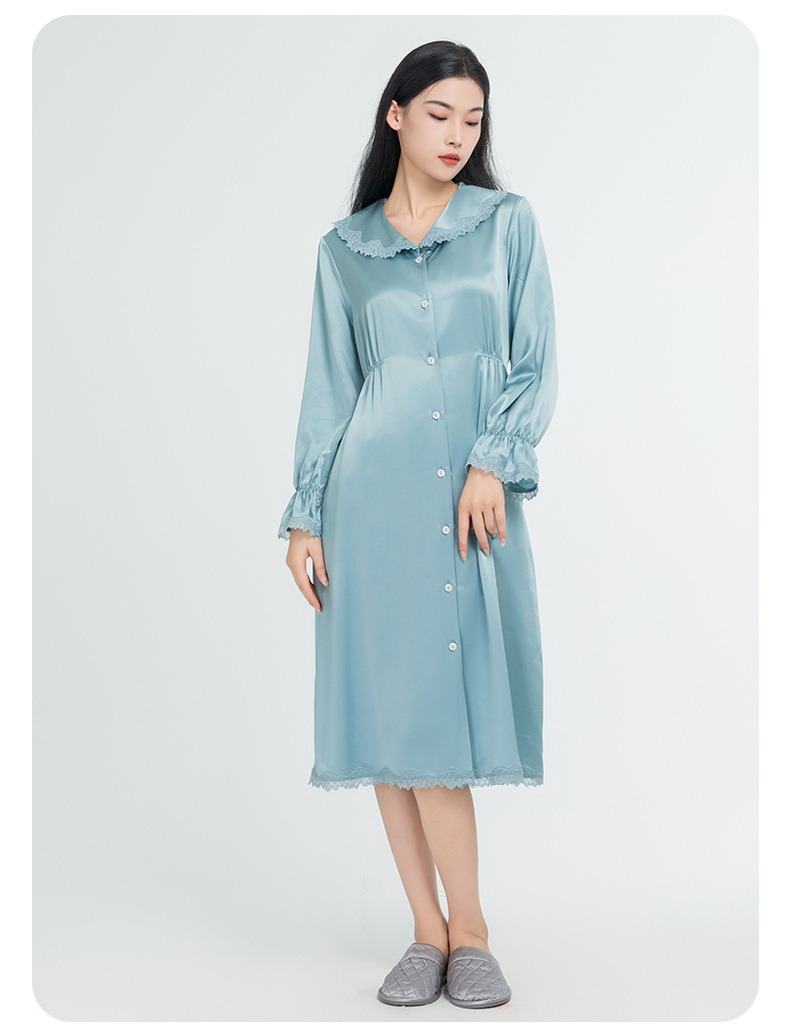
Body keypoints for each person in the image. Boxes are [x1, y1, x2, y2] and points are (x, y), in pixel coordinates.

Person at [278, 40, 558, 1009]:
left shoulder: (506, 225)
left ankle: (471, 931)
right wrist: (305, 517)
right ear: (395, 114)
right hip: (371, 506)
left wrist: (492, 460)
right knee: (388, 718)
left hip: (468, 505)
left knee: (440, 717)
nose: (457, 135)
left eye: (473, 119)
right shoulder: (344, 250)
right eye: (439, 113)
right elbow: (330, 389)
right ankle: (427, 930)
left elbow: (534, 359)